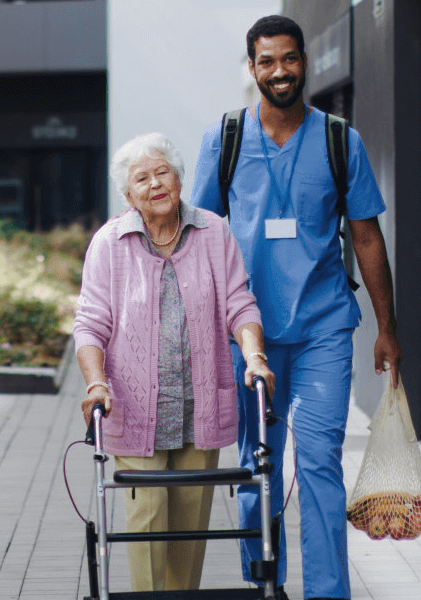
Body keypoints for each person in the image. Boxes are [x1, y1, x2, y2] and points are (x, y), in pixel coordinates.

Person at [187, 15, 400, 600]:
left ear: (305, 61)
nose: (279, 71)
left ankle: (328, 593)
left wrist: (387, 330)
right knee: (257, 467)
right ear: (251, 67)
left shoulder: (338, 139)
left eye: (288, 59)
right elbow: (199, 236)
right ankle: (264, 587)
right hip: (248, 333)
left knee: (320, 463)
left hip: (323, 328)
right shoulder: (224, 139)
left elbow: (366, 237)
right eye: (266, 61)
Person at [74, 133, 276, 593]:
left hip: (199, 408)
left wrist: (255, 357)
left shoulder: (213, 231)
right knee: (146, 522)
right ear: (128, 196)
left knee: (190, 527)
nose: (154, 184)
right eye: (141, 179)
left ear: (180, 177)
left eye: (162, 172)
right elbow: (89, 325)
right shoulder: (110, 242)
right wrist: (95, 383)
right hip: (135, 410)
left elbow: (240, 305)